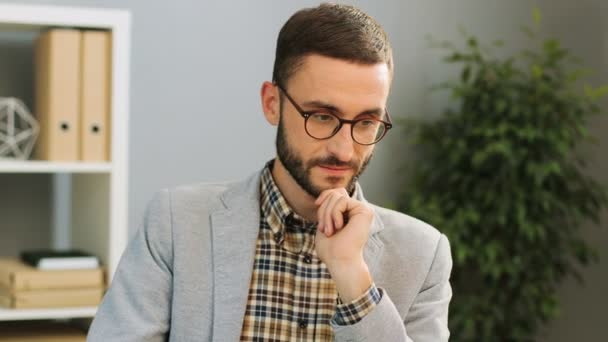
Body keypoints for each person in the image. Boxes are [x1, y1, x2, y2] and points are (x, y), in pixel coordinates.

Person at [88, 3, 452, 341]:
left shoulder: (423, 254)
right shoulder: (175, 224)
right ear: (272, 103)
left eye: (366, 122)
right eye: (322, 116)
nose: (344, 148)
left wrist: (353, 278)